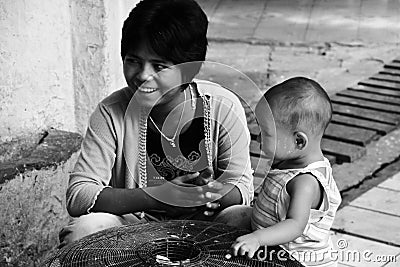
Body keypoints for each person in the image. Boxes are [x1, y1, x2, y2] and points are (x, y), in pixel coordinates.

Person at [58, 0, 254, 247]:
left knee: (245, 220)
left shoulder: (222, 107)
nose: (142, 75)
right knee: (84, 230)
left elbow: (243, 190)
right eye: (133, 60)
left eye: (159, 66)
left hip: (204, 229)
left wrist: (207, 193)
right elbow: (79, 195)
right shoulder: (111, 112)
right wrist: (155, 198)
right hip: (134, 232)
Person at [231, 77, 342, 266]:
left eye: (266, 133)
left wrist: (257, 238)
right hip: (273, 247)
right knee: (231, 215)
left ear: (299, 141)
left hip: (293, 260)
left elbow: (295, 225)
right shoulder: (288, 161)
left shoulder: (305, 182)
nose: (258, 138)